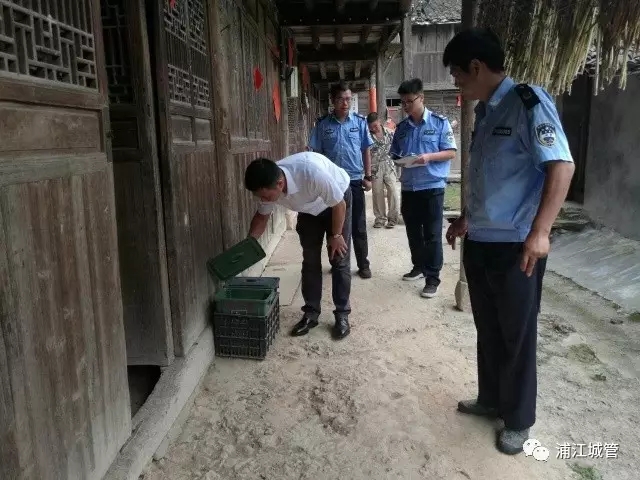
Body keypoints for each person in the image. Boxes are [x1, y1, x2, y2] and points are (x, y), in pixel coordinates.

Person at [443, 28, 575, 455]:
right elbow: (490, 177)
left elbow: (561, 166)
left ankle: (518, 420)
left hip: (517, 247)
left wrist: (541, 232)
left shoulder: (527, 103)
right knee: (488, 329)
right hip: (481, 242)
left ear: (476, 67)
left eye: (457, 74)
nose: (456, 82)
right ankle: (491, 399)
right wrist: (466, 219)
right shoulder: (485, 112)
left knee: (516, 335)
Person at [245, 152, 353, 340]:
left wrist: (336, 235)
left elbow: (339, 204)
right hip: (308, 209)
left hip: (337, 203)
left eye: (265, 196)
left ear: (280, 184)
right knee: (310, 260)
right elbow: (261, 217)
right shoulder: (268, 184)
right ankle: (311, 313)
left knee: (338, 257)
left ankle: (342, 315)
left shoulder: (311, 173)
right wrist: (249, 244)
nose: (263, 200)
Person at [389, 78, 457, 298]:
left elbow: (451, 152)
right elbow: (394, 152)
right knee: (413, 232)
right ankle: (418, 266)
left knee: (432, 235)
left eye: (409, 101)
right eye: (403, 102)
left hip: (432, 187)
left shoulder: (439, 123)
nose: (406, 106)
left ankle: (432, 278)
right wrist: (400, 160)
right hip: (409, 188)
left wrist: (428, 157)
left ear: (421, 98)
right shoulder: (402, 128)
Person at [308, 82, 374, 279]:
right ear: (332, 101)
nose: (345, 103)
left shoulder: (359, 122)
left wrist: (368, 176)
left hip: (354, 181)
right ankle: (337, 262)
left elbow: (366, 150)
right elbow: (316, 154)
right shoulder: (322, 125)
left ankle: (363, 264)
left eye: (348, 99)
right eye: (340, 99)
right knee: (334, 225)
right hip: (331, 183)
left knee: (358, 226)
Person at [366, 112, 400, 229]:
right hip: (375, 168)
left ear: (379, 121)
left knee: (393, 191)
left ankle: (393, 218)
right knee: (377, 193)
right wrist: (367, 172)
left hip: (389, 166)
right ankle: (380, 219)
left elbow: (397, 149)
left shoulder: (390, 133)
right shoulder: (367, 136)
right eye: (371, 127)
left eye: (375, 126)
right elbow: (366, 154)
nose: (373, 129)